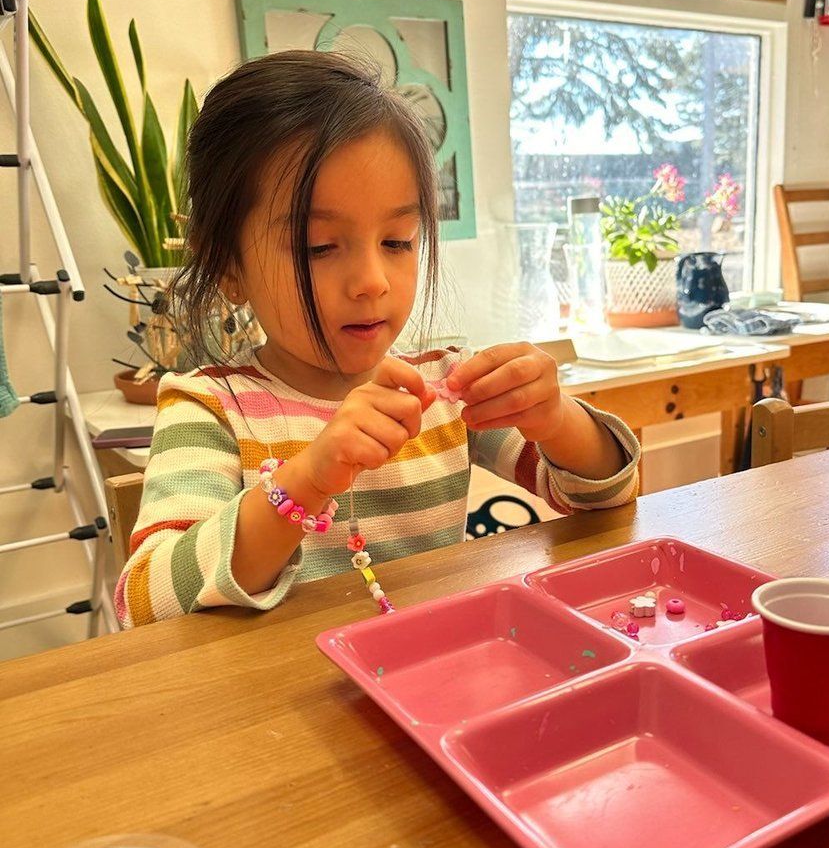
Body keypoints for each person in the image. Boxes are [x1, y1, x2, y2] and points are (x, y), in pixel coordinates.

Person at [115, 51, 639, 627]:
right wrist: (308, 479)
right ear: (228, 268)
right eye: (317, 247)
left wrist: (553, 415)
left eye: (397, 241)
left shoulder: (440, 389)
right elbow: (147, 602)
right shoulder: (211, 409)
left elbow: (603, 497)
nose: (371, 281)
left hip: (431, 684)